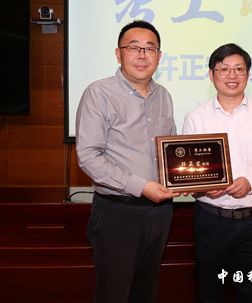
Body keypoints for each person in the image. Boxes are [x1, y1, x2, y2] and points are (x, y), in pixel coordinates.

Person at [75, 20, 180, 303]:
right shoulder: (98, 93)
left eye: (150, 48)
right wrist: (141, 186)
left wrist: (185, 178)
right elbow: (88, 156)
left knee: (146, 293)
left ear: (159, 56)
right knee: (114, 295)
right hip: (117, 214)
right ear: (118, 53)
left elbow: (170, 148)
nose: (142, 55)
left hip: (160, 212)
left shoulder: (164, 96)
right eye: (134, 47)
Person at [183, 43, 252, 303]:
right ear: (211, 75)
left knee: (250, 292)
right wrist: (203, 187)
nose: (232, 75)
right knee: (210, 292)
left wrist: (250, 182)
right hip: (211, 221)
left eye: (239, 69)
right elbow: (189, 171)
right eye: (224, 69)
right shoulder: (196, 117)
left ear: (248, 74)